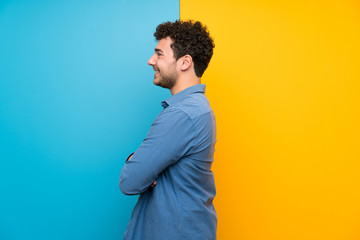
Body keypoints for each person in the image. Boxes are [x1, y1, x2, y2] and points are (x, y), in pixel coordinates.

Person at [119, 20, 217, 240]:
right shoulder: (197, 109)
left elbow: (130, 180)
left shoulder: (181, 114)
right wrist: (143, 164)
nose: (151, 60)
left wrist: (138, 161)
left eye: (159, 54)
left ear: (184, 62)